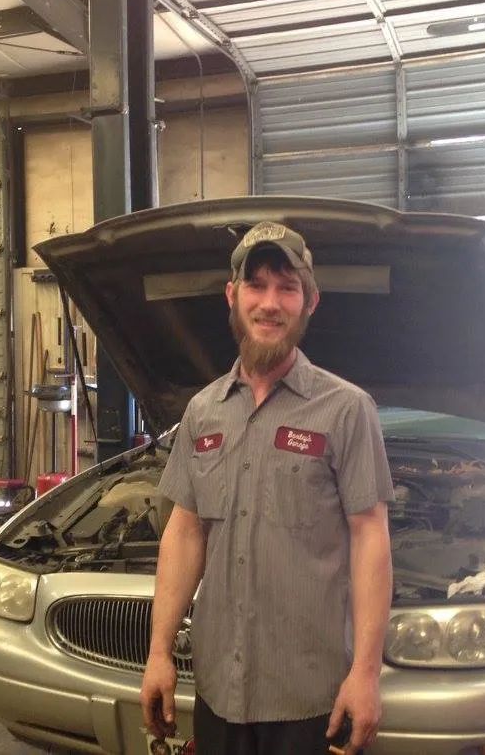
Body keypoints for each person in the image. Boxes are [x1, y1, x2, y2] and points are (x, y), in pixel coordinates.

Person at [140, 221, 394, 755]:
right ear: (232, 296)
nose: (270, 303)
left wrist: (366, 674)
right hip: (218, 692)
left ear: (310, 302)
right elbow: (185, 533)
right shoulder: (202, 411)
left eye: (287, 287)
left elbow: (371, 537)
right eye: (256, 286)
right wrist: (159, 651)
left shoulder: (346, 409)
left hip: (311, 700)